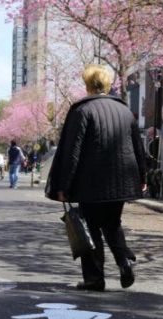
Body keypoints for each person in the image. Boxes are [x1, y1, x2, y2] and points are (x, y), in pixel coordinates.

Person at [45, 64, 147, 292]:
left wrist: (63, 184)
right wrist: (142, 176)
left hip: (90, 184)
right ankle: (124, 261)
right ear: (108, 84)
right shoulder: (124, 110)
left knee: (90, 227)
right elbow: (138, 147)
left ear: (88, 85)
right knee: (112, 224)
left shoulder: (82, 110)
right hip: (120, 182)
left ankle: (94, 278)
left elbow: (73, 151)